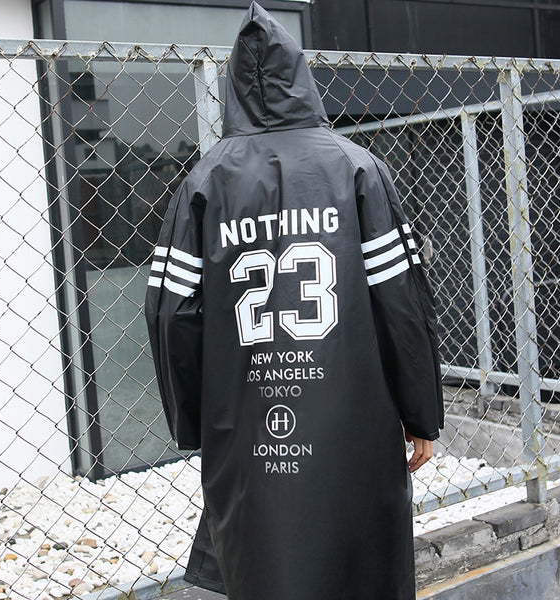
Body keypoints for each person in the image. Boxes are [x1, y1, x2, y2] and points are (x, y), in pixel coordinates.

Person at [145, 3, 444, 599]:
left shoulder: (203, 182)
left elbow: (171, 311)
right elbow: (401, 302)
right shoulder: (358, 169)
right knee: (364, 567)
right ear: (303, 78)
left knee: (265, 567)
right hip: (353, 418)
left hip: (249, 425)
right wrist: (421, 413)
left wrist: (195, 420)